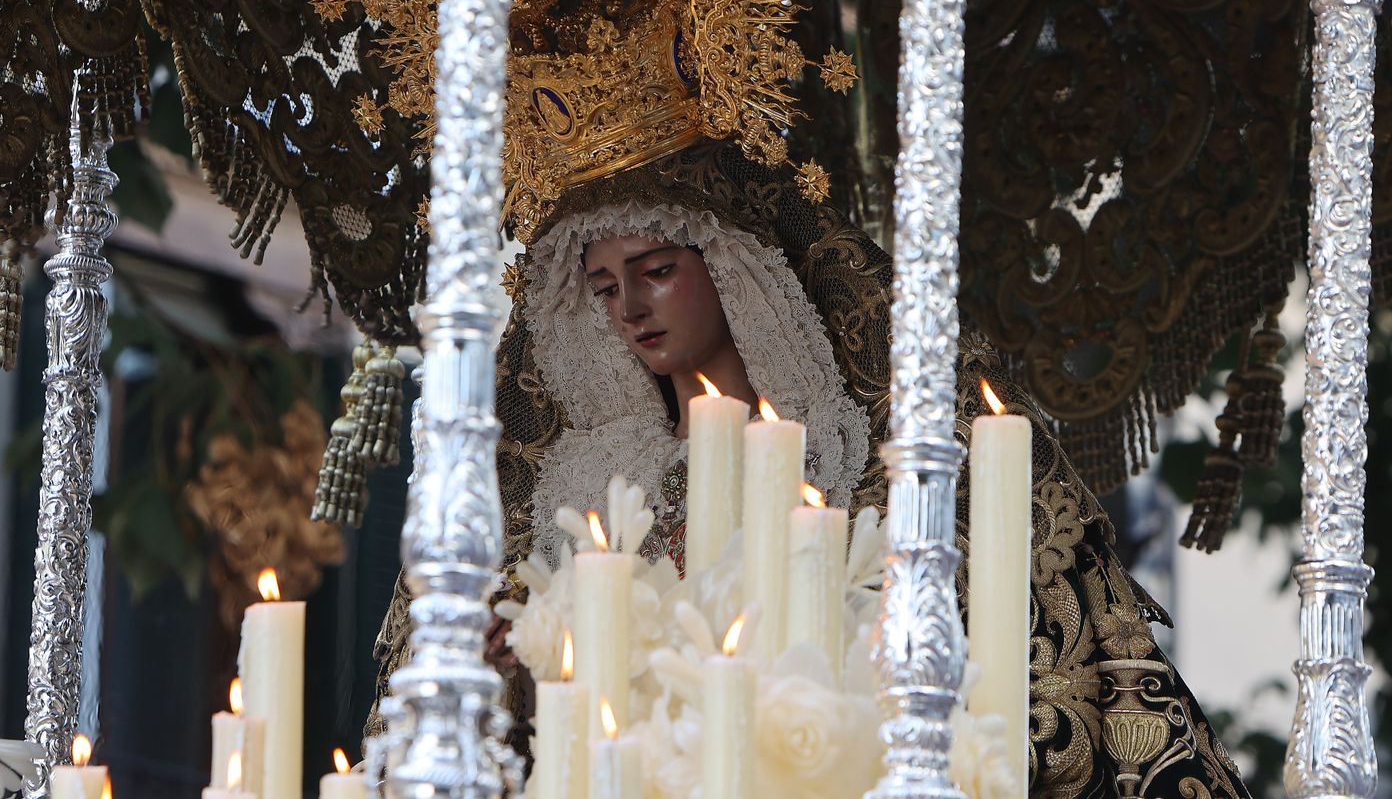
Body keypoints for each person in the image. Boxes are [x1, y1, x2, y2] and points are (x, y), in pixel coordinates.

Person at [372, 142, 1251, 799]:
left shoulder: (864, 468)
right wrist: (511, 669)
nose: (631, 307)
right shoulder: (581, 490)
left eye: (656, 270)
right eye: (605, 288)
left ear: (733, 265)